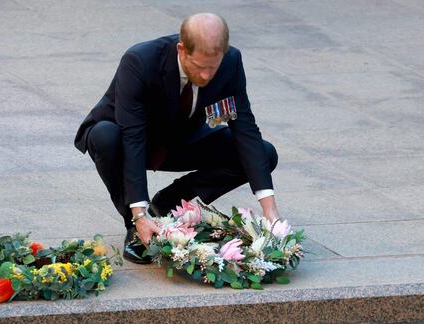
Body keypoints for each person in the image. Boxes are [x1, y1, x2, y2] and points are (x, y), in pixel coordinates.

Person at [74, 13, 280, 264]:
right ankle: (137, 225)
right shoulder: (140, 60)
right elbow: (133, 137)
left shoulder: (231, 62)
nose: (205, 76)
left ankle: (169, 202)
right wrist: (139, 215)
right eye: (199, 66)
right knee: (104, 136)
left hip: (184, 138)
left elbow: (245, 128)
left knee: (264, 153)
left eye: (212, 67)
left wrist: (269, 208)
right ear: (181, 50)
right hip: (131, 140)